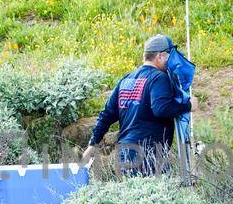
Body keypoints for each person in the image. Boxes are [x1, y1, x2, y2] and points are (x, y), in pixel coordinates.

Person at [83, 33, 197, 176]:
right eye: (169, 55)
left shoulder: (126, 79)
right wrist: (188, 106)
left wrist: (93, 143)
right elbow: (162, 108)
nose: (171, 60)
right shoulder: (159, 78)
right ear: (160, 56)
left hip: (124, 155)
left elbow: (106, 115)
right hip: (148, 154)